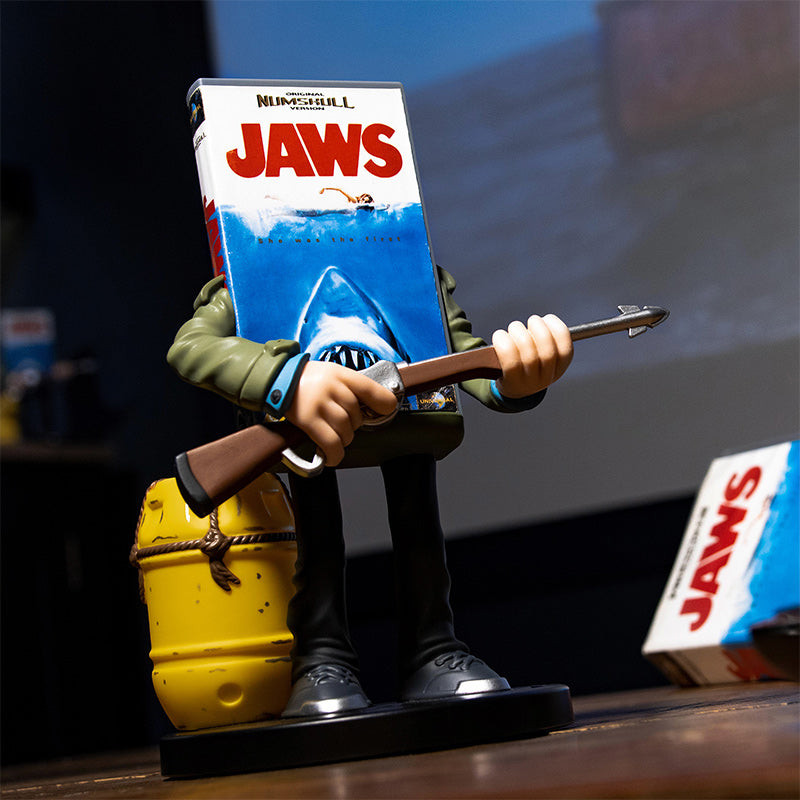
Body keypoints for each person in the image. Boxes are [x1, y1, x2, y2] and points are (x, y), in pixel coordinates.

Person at [168, 266, 573, 717]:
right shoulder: (252, 270)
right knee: (316, 544)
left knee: (419, 532)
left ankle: (433, 649)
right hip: (309, 429)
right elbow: (192, 346)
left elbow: (463, 355)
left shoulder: (411, 266)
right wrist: (284, 379)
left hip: (410, 420)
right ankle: (321, 659)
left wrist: (518, 375)